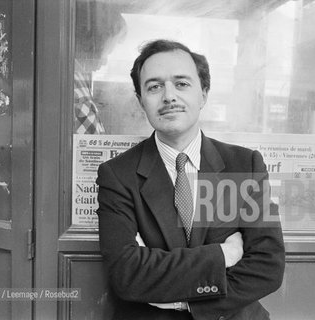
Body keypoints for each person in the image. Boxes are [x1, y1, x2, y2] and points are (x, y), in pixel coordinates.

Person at [96, 39, 285, 320]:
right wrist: (222, 255)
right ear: (140, 101)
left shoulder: (244, 166)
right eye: (154, 86)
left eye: (181, 84)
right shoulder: (117, 175)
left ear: (204, 94)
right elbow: (127, 273)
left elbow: (267, 267)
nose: (169, 96)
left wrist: (185, 303)